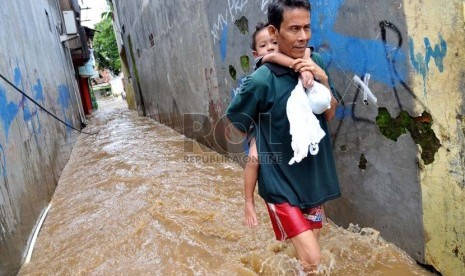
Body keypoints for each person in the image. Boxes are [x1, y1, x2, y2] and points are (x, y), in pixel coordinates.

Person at [227, 0, 340, 272]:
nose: (303, 36)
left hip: (314, 181)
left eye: (307, 28)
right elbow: (235, 127)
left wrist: (322, 78)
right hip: (281, 186)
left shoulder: (317, 62)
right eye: (294, 29)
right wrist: (259, 141)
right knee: (314, 259)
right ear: (274, 32)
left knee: (307, 258)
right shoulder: (261, 80)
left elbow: (329, 114)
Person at [244, 22, 315, 228]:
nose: (271, 48)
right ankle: (248, 201)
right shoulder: (263, 65)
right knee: (255, 157)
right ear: (256, 53)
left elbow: (308, 50)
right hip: (262, 125)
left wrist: (307, 65)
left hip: (288, 125)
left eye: (274, 43)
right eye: (264, 45)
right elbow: (275, 58)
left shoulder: (296, 57)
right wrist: (303, 68)